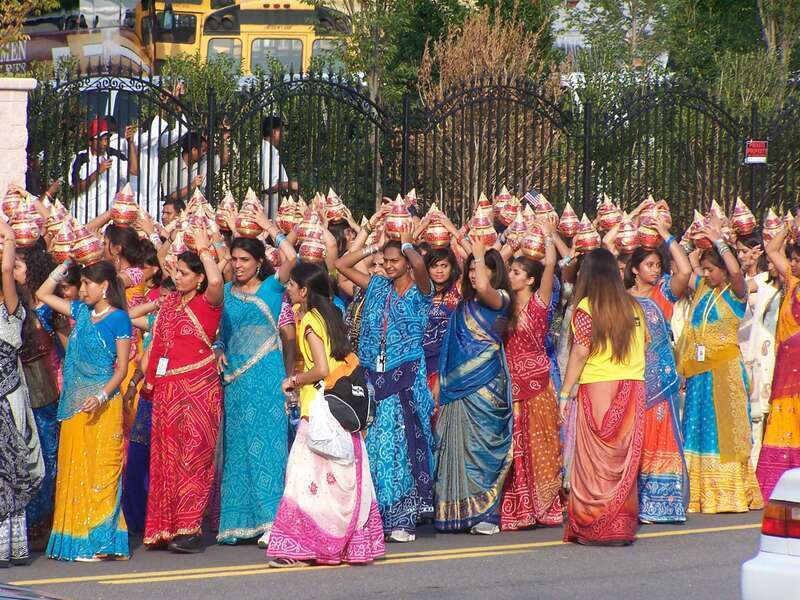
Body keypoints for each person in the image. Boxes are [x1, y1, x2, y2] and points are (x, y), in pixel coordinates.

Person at [266, 262, 385, 567]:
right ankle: (341, 544)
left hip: (319, 409)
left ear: (304, 291)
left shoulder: (308, 321)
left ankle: (304, 547)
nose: (288, 289)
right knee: (333, 482)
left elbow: (320, 368)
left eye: (292, 285)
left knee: (303, 480)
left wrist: (293, 380)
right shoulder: (330, 314)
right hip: (338, 407)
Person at [335, 223, 435, 543]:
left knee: (402, 448)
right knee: (377, 449)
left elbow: (420, 265)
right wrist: (371, 247)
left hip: (406, 379)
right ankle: (379, 516)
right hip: (375, 380)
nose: (389, 266)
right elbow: (341, 265)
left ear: (406, 262)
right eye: (385, 261)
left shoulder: (420, 292)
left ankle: (403, 518)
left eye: (394, 261)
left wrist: (407, 244)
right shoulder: (378, 286)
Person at [39, 260, 132, 561]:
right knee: (75, 470)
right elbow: (42, 294)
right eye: (81, 284)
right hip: (74, 406)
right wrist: (63, 268)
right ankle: (78, 540)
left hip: (102, 405)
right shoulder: (81, 312)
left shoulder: (118, 319)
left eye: (87, 284)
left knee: (102, 472)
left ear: (104, 286)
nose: (82, 290)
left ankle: (103, 542)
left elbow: (121, 368)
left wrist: (101, 397)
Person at [143, 230, 224, 553]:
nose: (176, 278)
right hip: (167, 393)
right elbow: (158, 346)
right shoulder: (170, 304)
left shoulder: (208, 303)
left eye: (184, 273)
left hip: (199, 391)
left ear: (199, 278)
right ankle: (165, 528)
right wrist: (149, 383)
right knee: (168, 461)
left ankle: (190, 530)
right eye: (175, 272)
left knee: (194, 456)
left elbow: (217, 281)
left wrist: (205, 250)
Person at [560, 248, 647, 546]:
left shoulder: (587, 307)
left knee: (594, 460)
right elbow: (643, 346)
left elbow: (581, 350)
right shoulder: (633, 306)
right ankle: (619, 526)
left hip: (599, 386)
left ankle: (594, 524)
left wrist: (565, 392)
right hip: (632, 387)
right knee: (622, 457)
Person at [215, 231, 296, 547]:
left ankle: (273, 521)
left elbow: (293, 258)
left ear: (259, 262)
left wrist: (270, 228)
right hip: (235, 381)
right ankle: (238, 523)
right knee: (238, 450)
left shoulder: (271, 288)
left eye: (245, 260)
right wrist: (218, 347)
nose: (238, 265)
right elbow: (221, 332)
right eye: (234, 259)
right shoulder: (225, 292)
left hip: (266, 377)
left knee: (269, 448)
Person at [677, 219, 763, 514]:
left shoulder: (736, 292)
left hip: (725, 374)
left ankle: (727, 494)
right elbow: (684, 270)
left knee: (722, 433)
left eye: (710, 270)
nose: (705, 274)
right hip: (699, 375)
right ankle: (696, 494)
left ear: (723, 270)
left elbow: (737, 272)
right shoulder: (703, 288)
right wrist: (680, 239)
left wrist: (720, 242)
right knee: (696, 430)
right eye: (704, 269)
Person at [434, 242, 513, 535]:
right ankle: (459, 512)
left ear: (494, 273)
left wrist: (478, 253)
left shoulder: (501, 299)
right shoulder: (463, 306)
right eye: (469, 269)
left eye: (479, 269)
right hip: (458, 387)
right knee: (458, 447)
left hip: (486, 386)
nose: (472, 274)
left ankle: (487, 515)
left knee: (481, 448)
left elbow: (482, 286)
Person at [502, 220, 563, 531]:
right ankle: (519, 508)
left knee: (542, 445)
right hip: (509, 385)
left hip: (538, 384)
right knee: (514, 447)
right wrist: (511, 243)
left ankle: (545, 505)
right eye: (511, 271)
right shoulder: (503, 304)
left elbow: (550, 264)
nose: (511, 276)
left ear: (530, 279)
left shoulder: (539, 304)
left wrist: (549, 234)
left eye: (516, 272)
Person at [0, 220, 43, 567]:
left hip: (8, 398)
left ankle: (10, 545)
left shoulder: (12, 310)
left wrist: (9, 234)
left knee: (11, 469)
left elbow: (5, 269)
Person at [18, 242, 60, 549]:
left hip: (43, 391)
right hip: (15, 390)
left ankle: (41, 521)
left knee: (45, 455)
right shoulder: (11, 308)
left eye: (18, 267)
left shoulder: (45, 309)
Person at [756, 226, 800, 499]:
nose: (792, 264)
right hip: (786, 368)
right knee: (783, 418)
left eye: (797, 260)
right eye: (792, 259)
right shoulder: (792, 284)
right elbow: (772, 249)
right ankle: (778, 480)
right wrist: (788, 227)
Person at [69, 117, 138, 224]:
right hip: (81, 218)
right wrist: (98, 171)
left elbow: (134, 171)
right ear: (90, 142)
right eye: (101, 139)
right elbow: (75, 189)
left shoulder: (114, 155)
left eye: (107, 138)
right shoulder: (80, 158)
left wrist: (131, 143)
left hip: (105, 220)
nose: (105, 142)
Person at [421, 247, 461, 424]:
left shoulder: (458, 290)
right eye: (434, 266)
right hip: (420, 363)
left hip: (448, 362)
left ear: (452, 267)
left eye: (444, 266)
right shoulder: (420, 292)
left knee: (442, 419)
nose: (439, 271)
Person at [260, 116, 298, 216]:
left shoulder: (271, 151)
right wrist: (290, 185)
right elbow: (270, 185)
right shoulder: (267, 152)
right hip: (272, 201)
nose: (283, 135)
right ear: (274, 132)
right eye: (281, 131)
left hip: (277, 198)